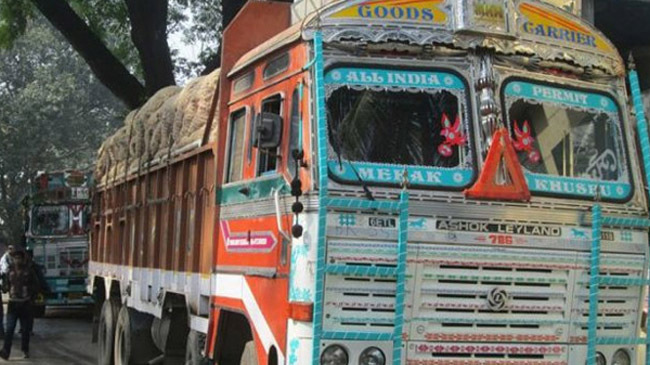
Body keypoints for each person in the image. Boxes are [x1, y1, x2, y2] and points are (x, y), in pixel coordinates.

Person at [0, 248, 39, 360]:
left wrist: (32, 297)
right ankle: (5, 352)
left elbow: (36, 285)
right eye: (15, 258)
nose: (17, 260)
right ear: (13, 259)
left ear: (23, 259)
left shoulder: (29, 271)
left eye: (19, 258)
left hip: (25, 303)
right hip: (13, 304)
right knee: (9, 329)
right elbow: (5, 287)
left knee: (25, 330)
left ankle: (25, 350)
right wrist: (5, 288)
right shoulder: (9, 271)